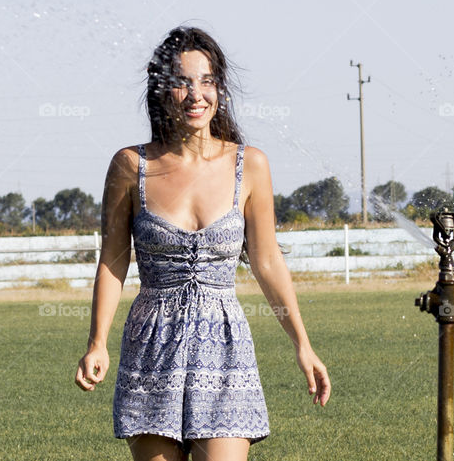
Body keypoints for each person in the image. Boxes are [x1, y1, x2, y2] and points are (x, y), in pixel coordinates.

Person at [75, 26, 330, 461]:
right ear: (162, 92)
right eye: (181, 81)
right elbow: (112, 263)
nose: (196, 94)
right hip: (152, 343)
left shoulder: (250, 165)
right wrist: (97, 341)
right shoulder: (129, 165)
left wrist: (302, 344)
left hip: (225, 343)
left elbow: (267, 261)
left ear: (221, 90)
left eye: (207, 81)